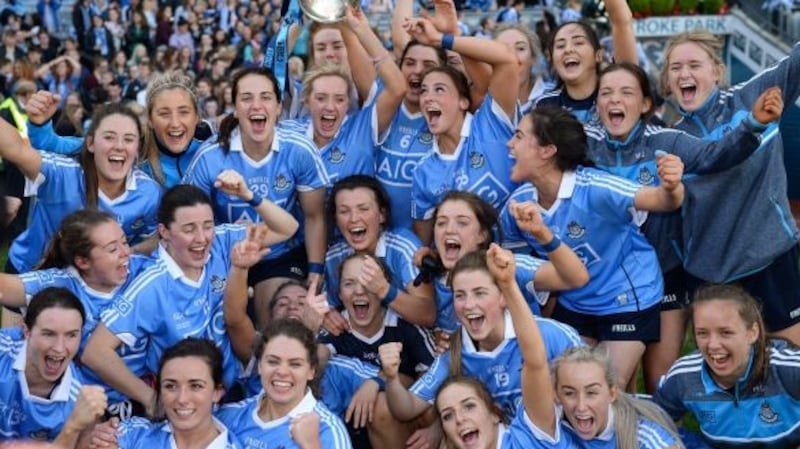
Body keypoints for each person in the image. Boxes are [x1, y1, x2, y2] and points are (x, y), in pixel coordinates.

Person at [588, 62, 784, 393]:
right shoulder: (584, 146)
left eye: (626, 92)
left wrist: (752, 123)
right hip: (608, 281)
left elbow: (715, 154)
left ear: (646, 104)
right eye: (606, 93)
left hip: (665, 275)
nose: (614, 100)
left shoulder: (666, 140)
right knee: (612, 382)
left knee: (658, 382)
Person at [500, 106, 685, 389]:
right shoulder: (518, 204)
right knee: (563, 387)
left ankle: (635, 427)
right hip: (576, 303)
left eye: (518, 136)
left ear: (547, 151)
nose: (509, 144)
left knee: (607, 386)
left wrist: (672, 186)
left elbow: (662, 201)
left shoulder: (595, 187)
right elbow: (517, 259)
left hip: (627, 297)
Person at [433, 244, 682, 449]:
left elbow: (535, 359)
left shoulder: (642, 436)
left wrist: (508, 285)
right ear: (556, 396)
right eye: (569, 393)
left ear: (612, 392)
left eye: (592, 392)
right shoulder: (551, 427)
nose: (580, 405)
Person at [82, 183, 298, 414]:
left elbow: (288, 227)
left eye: (207, 226)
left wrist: (248, 194)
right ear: (164, 232)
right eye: (189, 229)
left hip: (234, 388)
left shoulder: (223, 241)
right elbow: (95, 352)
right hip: (189, 404)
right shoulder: (152, 285)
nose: (202, 238)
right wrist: (152, 399)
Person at [660, 31, 800, 346]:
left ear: (717, 71)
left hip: (771, 259)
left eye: (694, 64)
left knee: (791, 362)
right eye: (675, 67)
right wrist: (753, 124)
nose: (685, 74)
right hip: (713, 275)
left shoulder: (752, 95)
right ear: (667, 80)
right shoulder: (669, 140)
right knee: (725, 370)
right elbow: (718, 156)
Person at [378, 248, 584, 448]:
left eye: (479, 293)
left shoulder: (551, 334)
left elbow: (596, 390)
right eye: (460, 295)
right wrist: (392, 378)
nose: (468, 304)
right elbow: (407, 408)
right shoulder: (454, 352)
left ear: (503, 296)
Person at [183, 66, 329, 330]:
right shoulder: (210, 157)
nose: (256, 105)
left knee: (280, 323)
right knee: (226, 327)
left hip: (279, 255)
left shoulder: (299, 150)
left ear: (278, 107)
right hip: (226, 255)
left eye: (265, 97)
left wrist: (315, 271)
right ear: (235, 108)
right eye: (247, 98)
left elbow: (314, 216)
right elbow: (186, 218)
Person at [0, 209, 153, 416]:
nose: (125, 252)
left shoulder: (145, 273)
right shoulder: (62, 283)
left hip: (143, 396)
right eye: (112, 249)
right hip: (83, 403)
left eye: (124, 242)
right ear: (82, 262)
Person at [0, 103, 162, 276]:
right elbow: (15, 149)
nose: (119, 146)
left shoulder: (149, 193)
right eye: (109, 137)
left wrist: (129, 252)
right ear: (90, 143)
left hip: (88, 288)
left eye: (129, 139)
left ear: (137, 148)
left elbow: (154, 238)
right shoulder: (61, 174)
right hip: (29, 274)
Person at [402, 17, 519, 245]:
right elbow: (426, 244)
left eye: (440, 89)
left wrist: (442, 38)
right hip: (469, 272)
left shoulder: (490, 123)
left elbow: (506, 59)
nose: (429, 98)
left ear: (463, 102)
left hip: (521, 259)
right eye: (424, 91)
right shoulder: (423, 171)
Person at [655, 284, 800, 448]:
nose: (713, 345)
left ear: (752, 332)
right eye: (702, 333)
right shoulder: (684, 377)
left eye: (725, 332)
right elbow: (653, 420)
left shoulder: (787, 368)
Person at [424, 190, 589, 334]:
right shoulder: (428, 276)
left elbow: (576, 278)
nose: (449, 230)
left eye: (462, 223)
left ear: (482, 234)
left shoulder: (506, 266)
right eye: (441, 223)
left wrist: (541, 233)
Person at [282, 6, 407, 186]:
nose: (330, 53)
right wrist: (302, 15)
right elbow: (270, 74)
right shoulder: (301, 97)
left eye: (337, 46)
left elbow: (396, 88)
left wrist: (352, 26)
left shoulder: (365, 109)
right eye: (321, 48)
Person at [26, 72, 212, 189]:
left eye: (184, 112)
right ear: (150, 120)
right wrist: (39, 124)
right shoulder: (132, 149)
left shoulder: (213, 151)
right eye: (164, 114)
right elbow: (52, 145)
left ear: (197, 117)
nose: (175, 123)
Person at [215, 319, 353, 449]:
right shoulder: (228, 416)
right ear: (259, 366)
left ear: (311, 371)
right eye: (273, 361)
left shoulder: (327, 429)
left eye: (295, 364)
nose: (282, 372)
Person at [88, 338, 244, 449]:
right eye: (170, 386)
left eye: (196, 386)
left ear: (217, 392)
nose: (182, 398)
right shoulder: (132, 434)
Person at [323, 175, 435, 330]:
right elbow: (318, 304)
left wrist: (385, 290)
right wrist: (325, 313)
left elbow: (429, 314)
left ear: (382, 214)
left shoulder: (402, 246)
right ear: (335, 219)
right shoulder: (333, 257)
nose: (354, 218)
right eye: (344, 211)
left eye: (363, 209)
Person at [0, 287, 106, 442]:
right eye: (49, 334)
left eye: (71, 335)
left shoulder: (79, 402)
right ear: (26, 331)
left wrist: (74, 428)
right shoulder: (3, 349)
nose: (59, 348)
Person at [534, 0, 638, 125]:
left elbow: (622, 22)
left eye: (578, 43)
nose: (568, 50)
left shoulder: (618, 95)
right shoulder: (545, 105)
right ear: (552, 59)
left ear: (598, 55)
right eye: (560, 46)